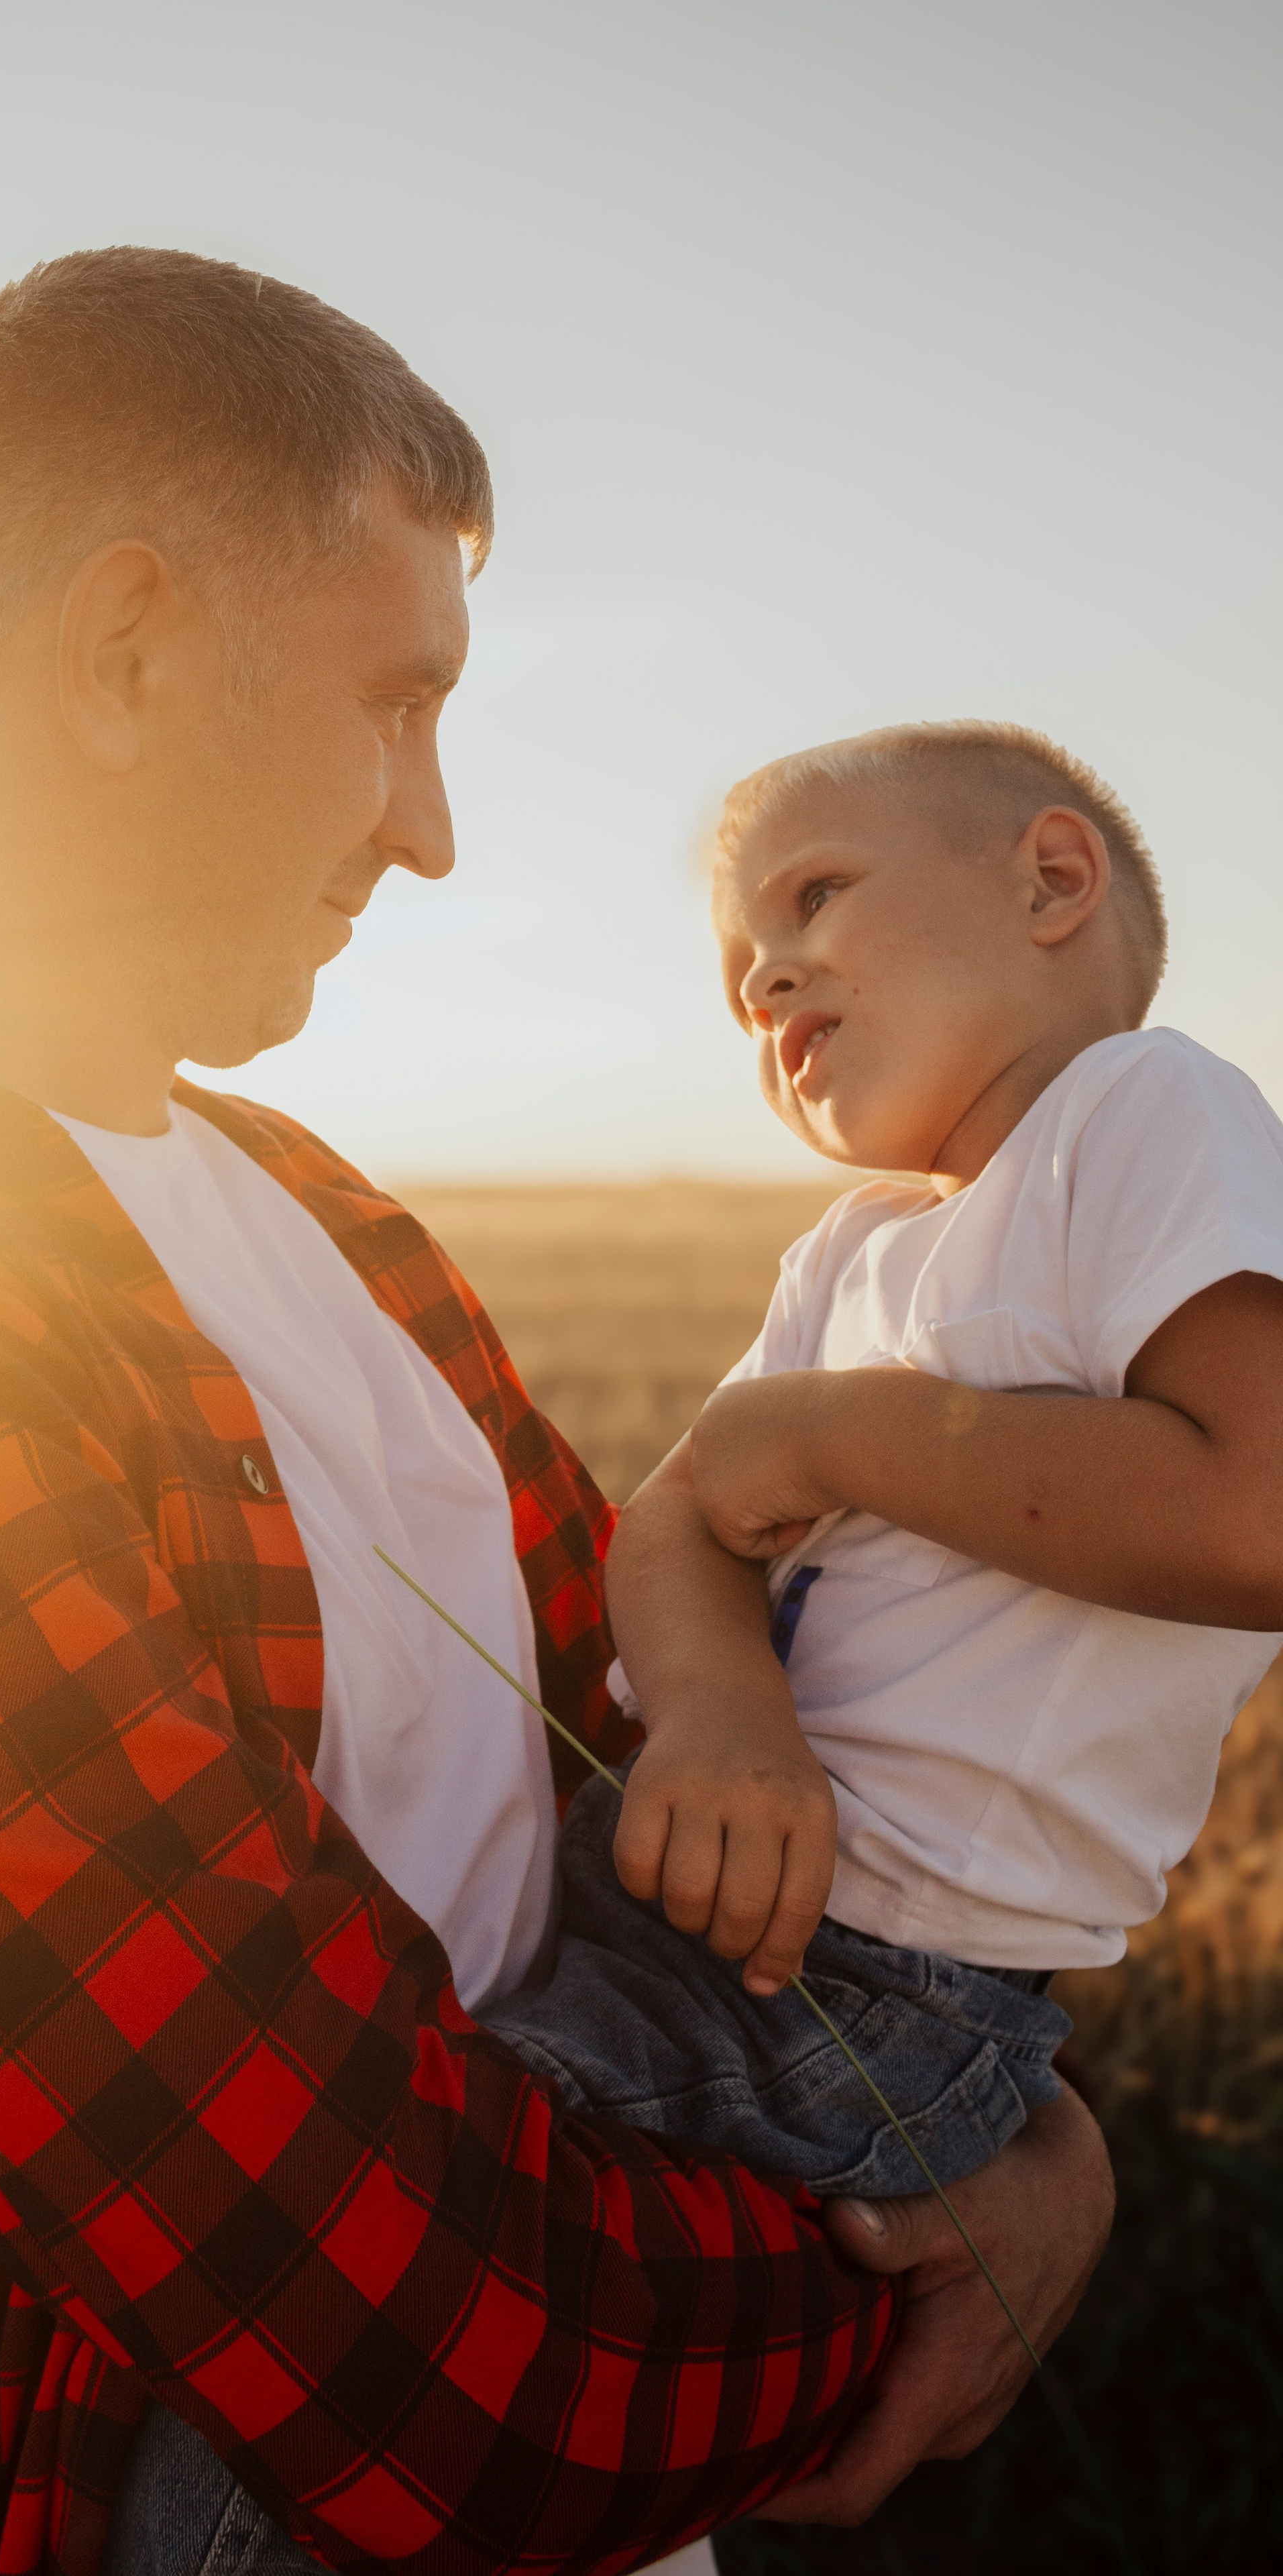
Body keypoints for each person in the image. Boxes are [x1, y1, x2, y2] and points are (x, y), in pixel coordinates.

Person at [0, 264, 1111, 2576]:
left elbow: (670, 1803)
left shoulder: (315, 1213)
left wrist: (1008, 2123)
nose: (435, 831)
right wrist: (960, 2218)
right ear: (126, 652)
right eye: (397, 703)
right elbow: (436, 2352)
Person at [487, 722, 1283, 2204]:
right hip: (684, 1866)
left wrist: (827, 1432)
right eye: (736, 975)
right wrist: (722, 1719)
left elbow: (1257, 1512)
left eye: (813, 898)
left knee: (418, 2205)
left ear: (1050, 881)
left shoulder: (1142, 1112)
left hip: (863, 1980)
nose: (761, 980)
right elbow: (679, 1516)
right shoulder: (847, 1251)